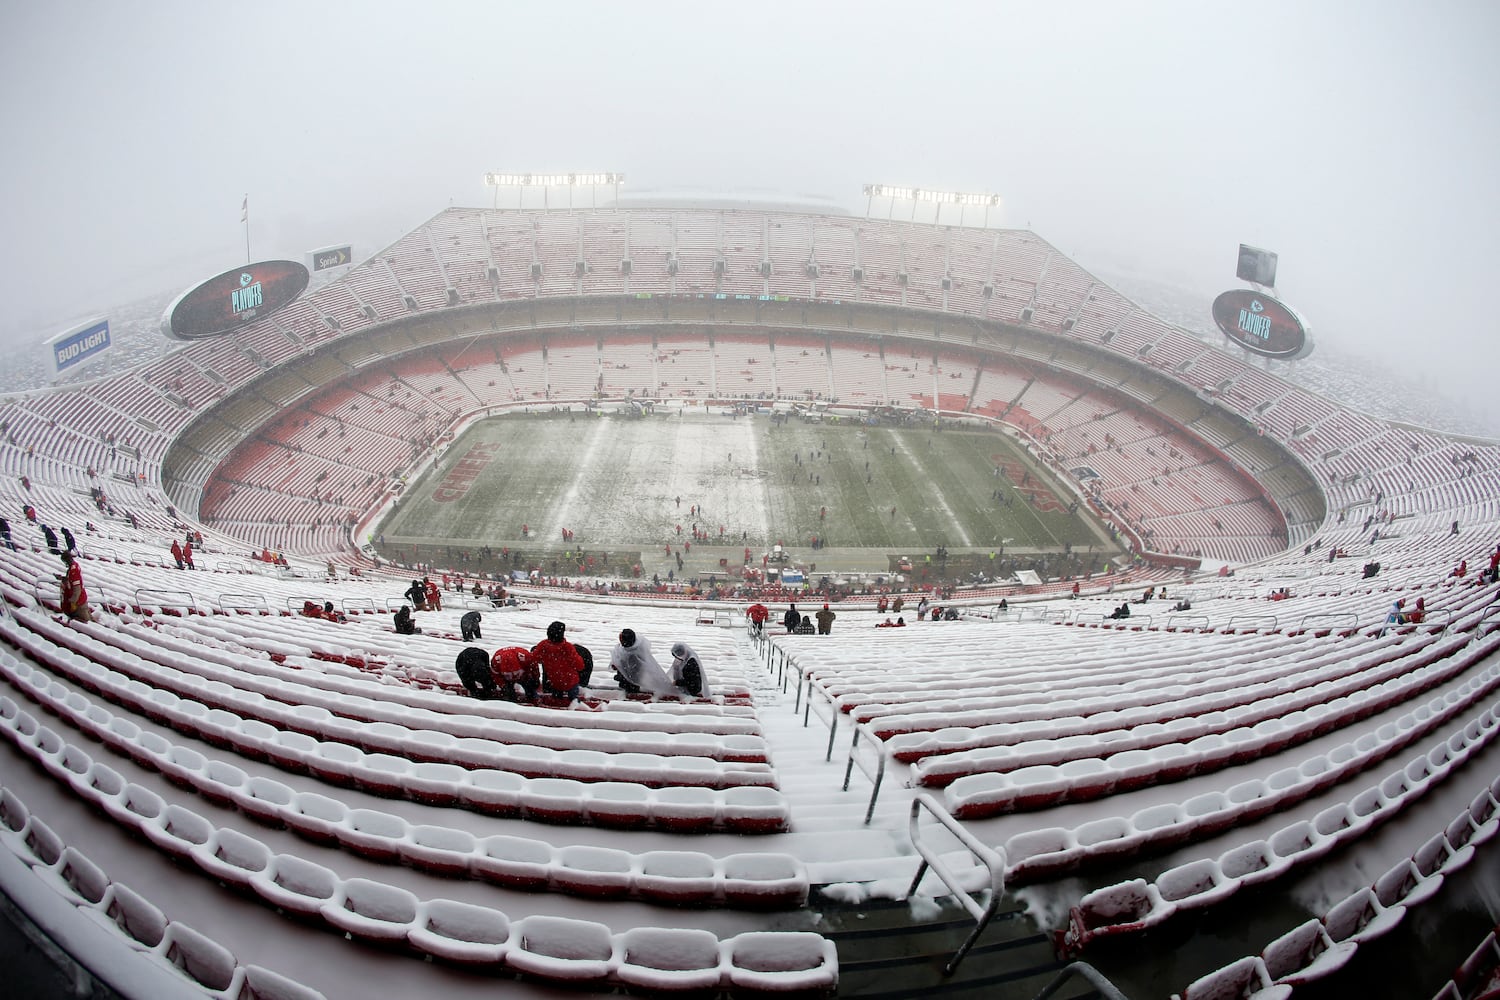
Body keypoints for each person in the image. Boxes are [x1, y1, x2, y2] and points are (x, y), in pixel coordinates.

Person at [529, 620, 585, 700]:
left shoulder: (543, 645)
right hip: (570, 681)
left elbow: (534, 659)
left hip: (555, 681)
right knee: (573, 700)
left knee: (556, 700)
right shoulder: (567, 647)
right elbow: (580, 665)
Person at [610, 628, 673, 695]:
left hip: (633, 676)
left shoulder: (632, 654)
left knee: (630, 685)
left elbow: (632, 672)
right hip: (633, 673)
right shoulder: (635, 645)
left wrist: (620, 669)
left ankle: (631, 692)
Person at [58, 551, 91, 622]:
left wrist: (73, 601)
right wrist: (63, 578)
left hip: (78, 602)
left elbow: (77, 588)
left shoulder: (74, 571)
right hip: (79, 598)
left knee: (85, 620)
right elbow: (70, 580)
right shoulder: (74, 566)